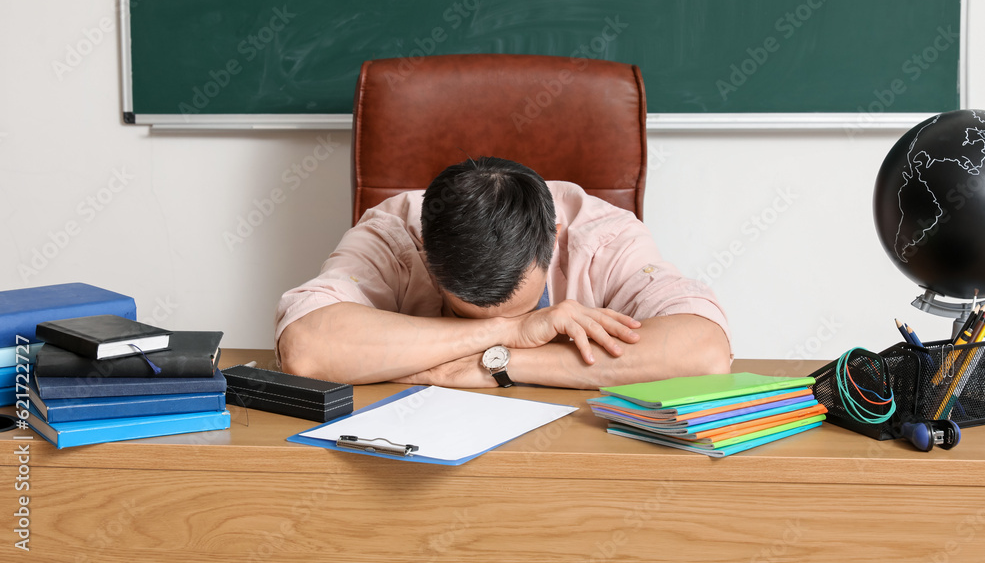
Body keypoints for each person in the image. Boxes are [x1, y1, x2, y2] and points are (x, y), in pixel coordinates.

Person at [275, 157, 731, 389]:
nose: (488, 326)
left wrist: (499, 366)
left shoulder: (602, 235)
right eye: (466, 313)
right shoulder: (397, 231)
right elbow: (307, 348)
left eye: (524, 305)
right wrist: (513, 328)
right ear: (426, 252)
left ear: (551, 239)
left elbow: (704, 352)